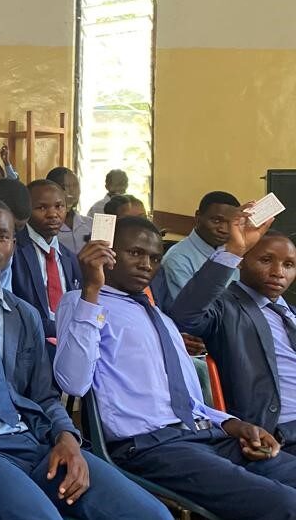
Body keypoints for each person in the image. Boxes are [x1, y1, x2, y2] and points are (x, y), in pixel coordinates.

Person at [0, 199, 169, 520]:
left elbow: (43, 396)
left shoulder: (24, 314)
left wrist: (67, 437)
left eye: (1, 236)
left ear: (12, 245)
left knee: (152, 514)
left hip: (34, 441)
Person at [54, 217, 296, 519]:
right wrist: (92, 289)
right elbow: (73, 383)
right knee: (285, 505)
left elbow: (188, 401)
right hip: (152, 447)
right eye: (135, 253)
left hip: (206, 435)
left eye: (155, 258)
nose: (146, 265)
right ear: (106, 253)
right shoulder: (82, 303)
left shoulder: (161, 319)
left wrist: (234, 424)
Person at [169, 217, 296, 453]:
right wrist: (232, 251)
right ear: (241, 262)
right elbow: (185, 316)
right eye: (266, 260)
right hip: (279, 432)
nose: (278, 272)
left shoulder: (290, 313)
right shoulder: (225, 307)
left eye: (289, 265)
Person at [11, 179, 82, 338]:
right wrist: (59, 329)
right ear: (26, 210)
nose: (53, 214)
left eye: (59, 206)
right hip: (31, 339)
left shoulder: (69, 257)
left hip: (68, 339)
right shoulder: (14, 250)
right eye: (42, 208)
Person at [159, 190, 241, 300]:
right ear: (198, 217)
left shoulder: (229, 254)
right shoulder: (177, 260)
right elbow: (188, 306)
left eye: (231, 223)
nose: (224, 230)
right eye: (216, 221)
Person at [47, 167, 92, 255]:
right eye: (64, 187)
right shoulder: (47, 229)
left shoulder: (91, 224)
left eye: (75, 185)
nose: (72, 192)